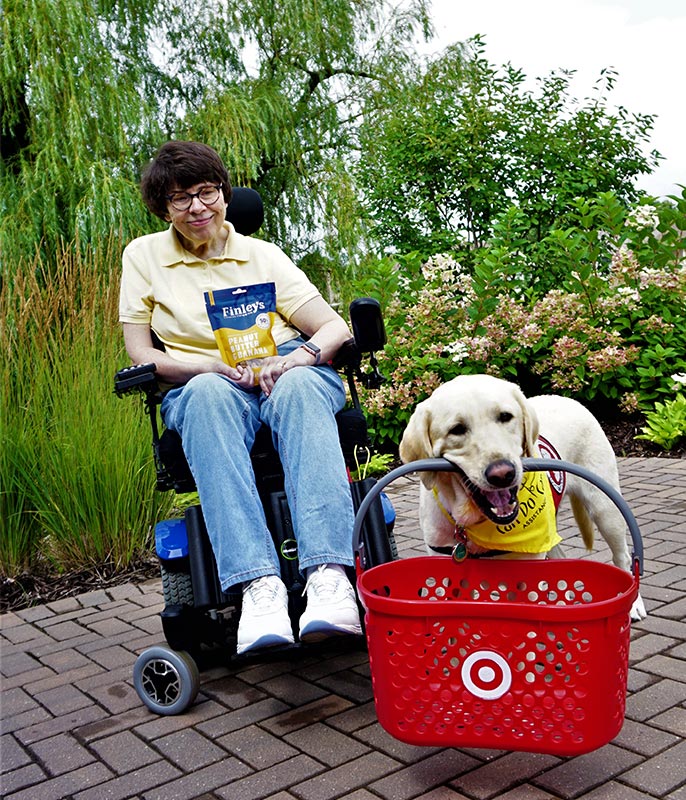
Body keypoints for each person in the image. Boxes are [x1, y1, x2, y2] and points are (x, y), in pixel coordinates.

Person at [119, 140, 362, 655]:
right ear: (163, 207)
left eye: (207, 192)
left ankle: (328, 577)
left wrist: (297, 358)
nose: (197, 207)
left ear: (225, 195)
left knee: (299, 386)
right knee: (205, 395)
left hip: (282, 368)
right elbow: (142, 354)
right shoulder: (143, 257)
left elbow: (332, 327)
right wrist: (207, 366)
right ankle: (259, 587)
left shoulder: (262, 254)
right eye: (181, 198)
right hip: (203, 381)